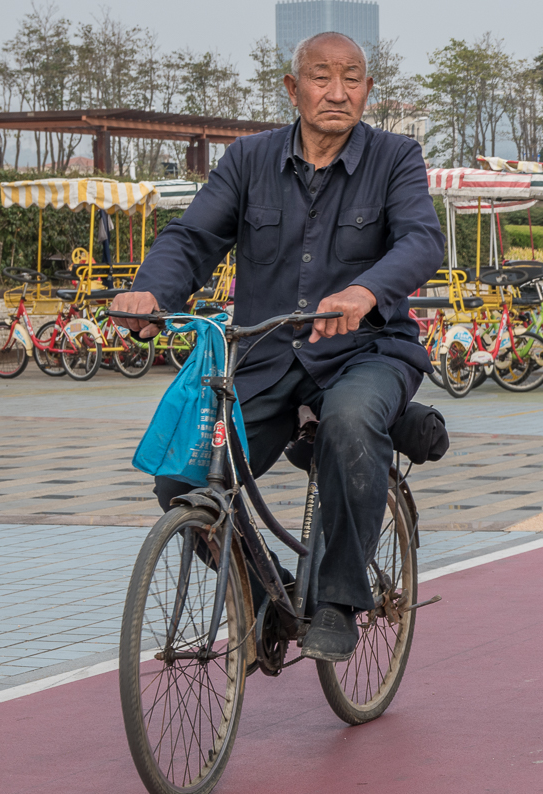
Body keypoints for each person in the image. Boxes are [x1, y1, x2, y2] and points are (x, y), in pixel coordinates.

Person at [111, 31, 445, 662]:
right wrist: (151, 295)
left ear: (368, 91)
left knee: (350, 421)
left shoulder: (396, 157)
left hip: (367, 353)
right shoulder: (247, 160)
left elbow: (422, 241)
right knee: (182, 478)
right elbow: (191, 239)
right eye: (321, 77)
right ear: (292, 89)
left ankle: (338, 601)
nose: (338, 92)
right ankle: (268, 596)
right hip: (265, 358)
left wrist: (365, 291)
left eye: (352, 78)